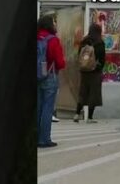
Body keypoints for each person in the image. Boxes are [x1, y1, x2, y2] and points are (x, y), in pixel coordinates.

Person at [37, 14, 65, 148]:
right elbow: (60, 62)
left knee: (38, 108)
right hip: (49, 76)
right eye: (54, 22)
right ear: (50, 24)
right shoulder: (53, 40)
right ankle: (44, 139)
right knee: (48, 109)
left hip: (36, 76)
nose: (55, 24)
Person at [75, 22, 106, 123]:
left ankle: (77, 114)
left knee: (82, 93)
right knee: (93, 94)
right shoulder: (100, 43)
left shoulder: (84, 41)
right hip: (95, 71)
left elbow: (79, 54)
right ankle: (90, 117)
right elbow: (102, 59)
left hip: (84, 71)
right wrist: (99, 67)